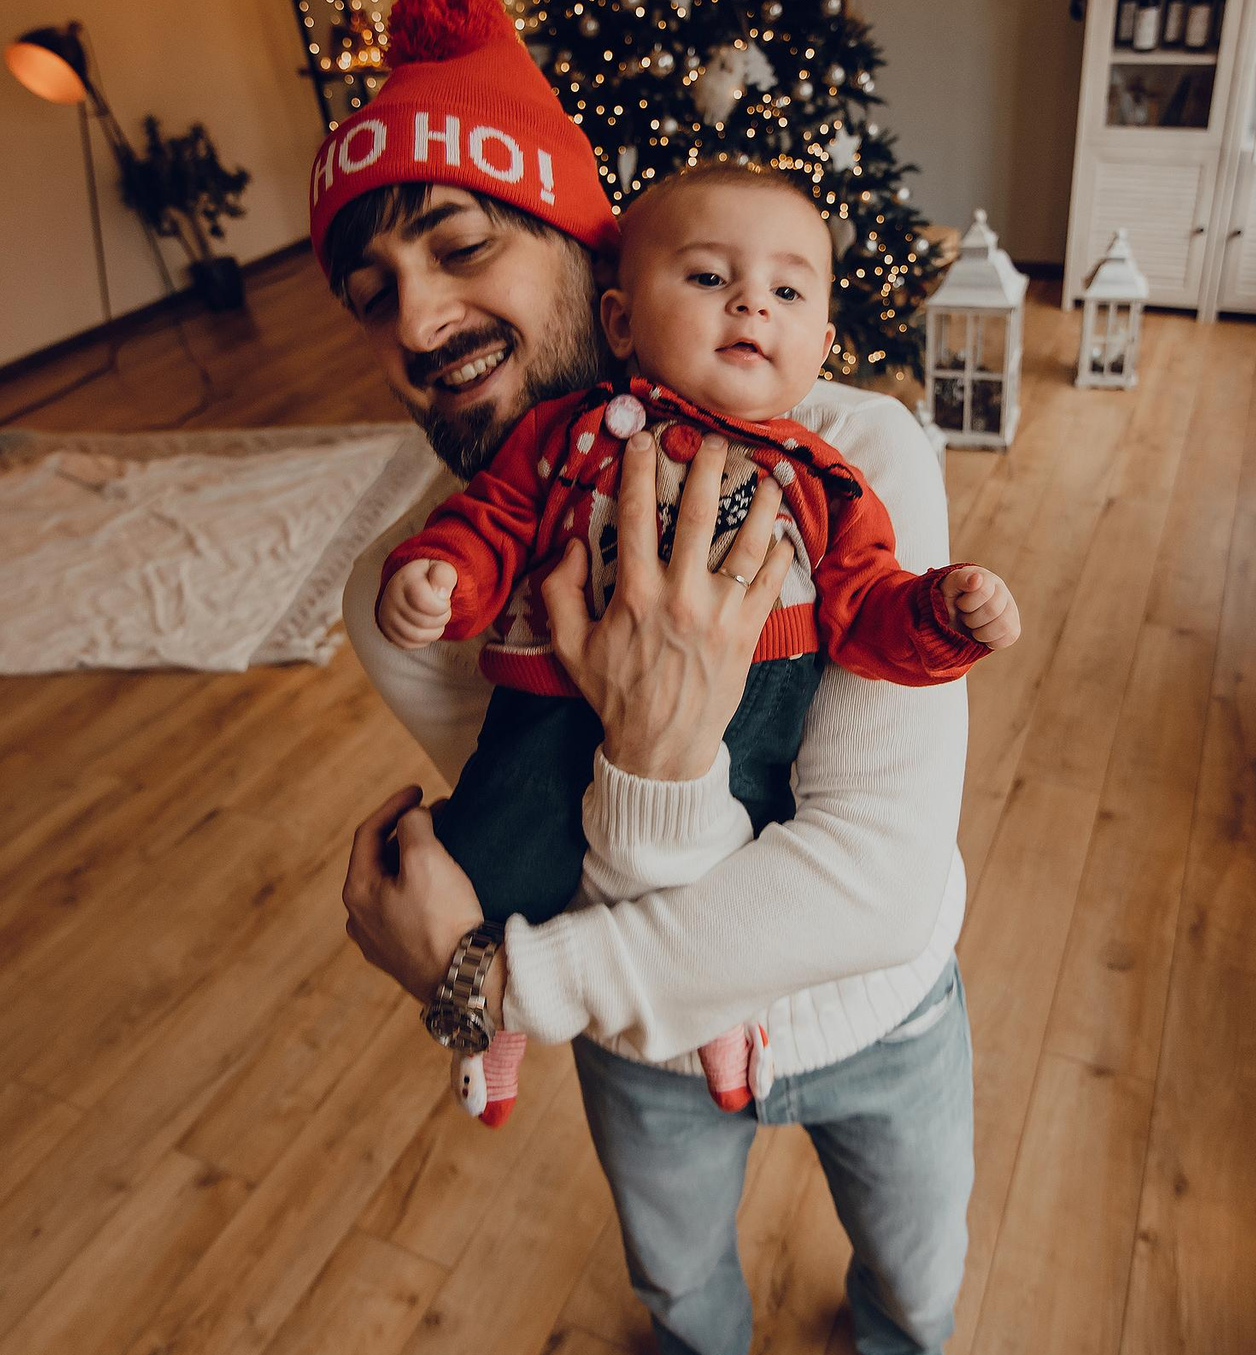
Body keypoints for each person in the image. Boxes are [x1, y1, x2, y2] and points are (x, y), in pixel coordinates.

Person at [327, 0, 978, 1355]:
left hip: (885, 1010)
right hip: (645, 1056)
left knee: (922, 1264)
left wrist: (487, 987)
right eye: (374, 296)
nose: (421, 321)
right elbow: (554, 861)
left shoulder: (854, 452)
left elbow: (866, 883)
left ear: (589, 247)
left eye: (460, 247)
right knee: (679, 1279)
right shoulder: (412, 593)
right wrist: (659, 751)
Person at [376, 158, 1021, 1125]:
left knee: (740, 877)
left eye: (788, 291)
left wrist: (938, 616)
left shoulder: (829, 469)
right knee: (499, 844)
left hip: (758, 735)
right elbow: (498, 518)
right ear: (622, 320)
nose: (752, 306)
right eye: (711, 279)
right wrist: (447, 580)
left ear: (821, 340)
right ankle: (500, 1026)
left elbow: (867, 602)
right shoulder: (571, 435)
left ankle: (722, 1009)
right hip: (552, 715)